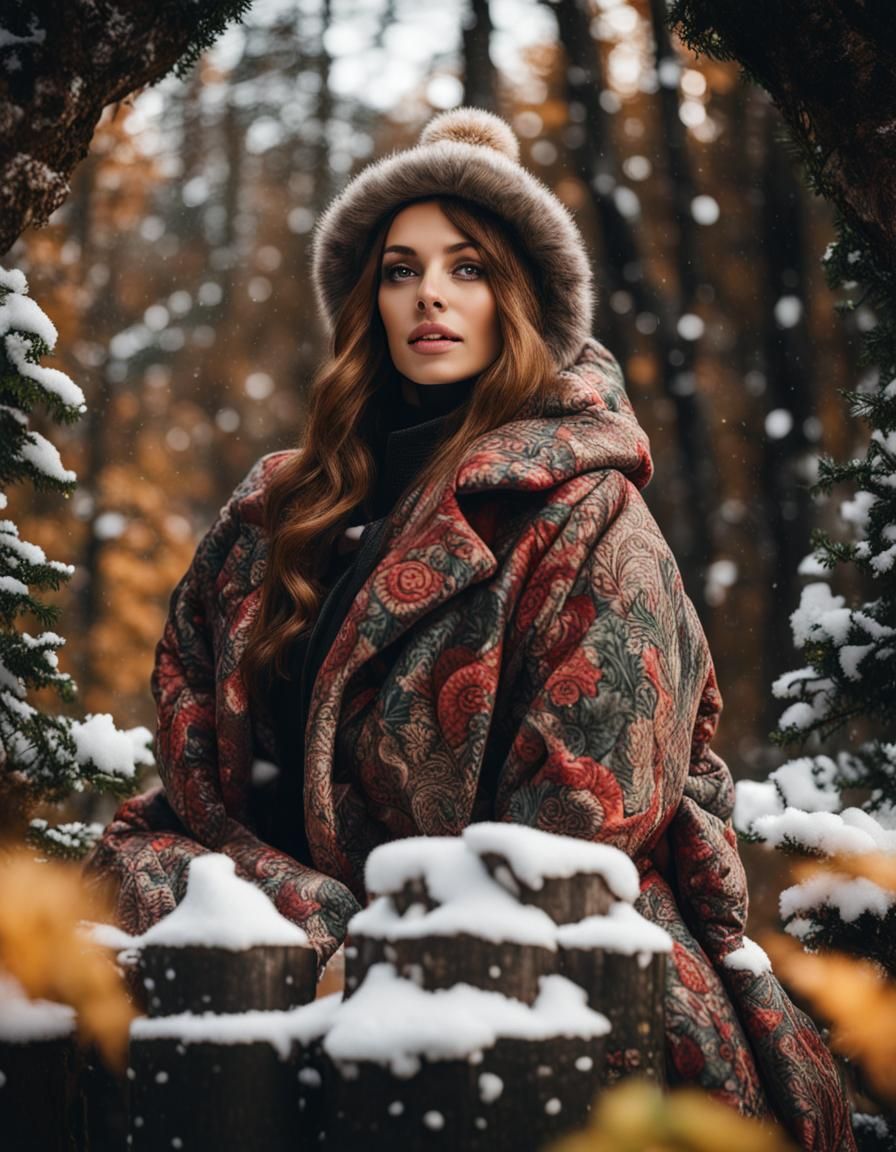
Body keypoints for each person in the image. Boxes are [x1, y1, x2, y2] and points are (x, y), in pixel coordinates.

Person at [86, 108, 854, 1148]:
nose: (430, 296)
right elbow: (193, 731)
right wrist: (304, 909)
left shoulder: (588, 518)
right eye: (400, 269)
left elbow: (582, 825)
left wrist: (375, 938)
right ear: (368, 299)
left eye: (469, 267)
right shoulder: (277, 512)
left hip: (542, 987)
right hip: (264, 970)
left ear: (521, 298)